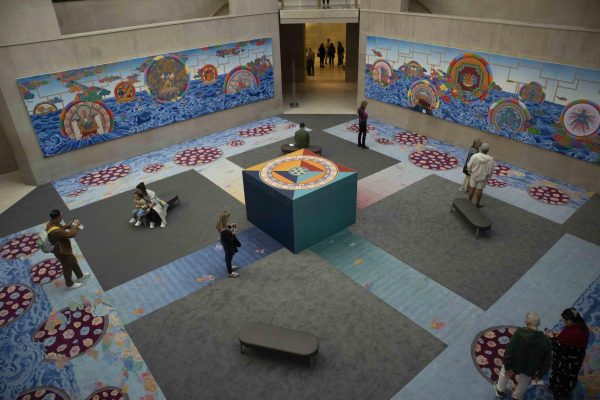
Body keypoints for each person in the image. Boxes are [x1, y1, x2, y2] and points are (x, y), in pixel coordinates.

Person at [495, 312, 552, 400]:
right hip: (530, 368)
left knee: (504, 373)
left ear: (526, 322)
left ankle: (500, 390)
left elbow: (509, 351)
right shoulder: (545, 340)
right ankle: (516, 397)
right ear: (538, 323)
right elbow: (547, 360)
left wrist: (507, 366)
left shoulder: (519, 334)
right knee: (524, 381)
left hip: (515, 363)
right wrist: (540, 374)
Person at [546, 308, 590, 400]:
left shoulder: (572, 333)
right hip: (575, 359)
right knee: (569, 377)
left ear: (571, 320)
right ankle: (563, 391)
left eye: (565, 320)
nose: (564, 322)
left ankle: (559, 394)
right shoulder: (582, 328)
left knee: (561, 378)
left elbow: (560, 348)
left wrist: (551, 338)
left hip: (566, 361)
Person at [46, 209, 90, 289]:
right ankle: (69, 284)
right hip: (62, 252)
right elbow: (71, 234)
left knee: (73, 261)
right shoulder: (56, 231)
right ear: (58, 217)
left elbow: (61, 227)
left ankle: (80, 276)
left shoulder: (51, 223)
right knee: (67, 267)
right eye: (61, 216)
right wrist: (75, 226)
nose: (62, 218)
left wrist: (69, 225)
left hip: (64, 249)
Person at [467, 142, 494, 208]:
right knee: (480, 190)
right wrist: (488, 177)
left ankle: (468, 202)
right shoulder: (490, 159)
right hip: (483, 177)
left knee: (472, 189)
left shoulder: (475, 156)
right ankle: (477, 203)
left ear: (481, 148)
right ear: (488, 150)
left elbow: (469, 165)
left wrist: (470, 171)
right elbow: (490, 170)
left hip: (474, 175)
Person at [216, 211, 241, 278]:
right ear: (225, 219)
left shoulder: (219, 224)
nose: (228, 219)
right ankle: (230, 273)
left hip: (225, 243)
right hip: (228, 245)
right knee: (228, 257)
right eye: (227, 218)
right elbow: (230, 240)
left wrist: (230, 226)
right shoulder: (224, 231)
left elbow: (225, 227)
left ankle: (230, 266)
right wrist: (234, 231)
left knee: (229, 256)